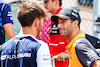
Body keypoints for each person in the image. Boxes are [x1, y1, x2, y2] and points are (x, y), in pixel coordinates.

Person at [0, 1, 52, 67]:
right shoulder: (40, 46)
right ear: (36, 22)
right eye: (42, 22)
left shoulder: (3, 48)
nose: (42, 26)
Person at [43, 0, 69, 67]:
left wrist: (68, 53)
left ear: (56, 2)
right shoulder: (52, 19)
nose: (44, 4)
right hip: (53, 61)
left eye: (46, 2)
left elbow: (79, 34)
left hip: (63, 62)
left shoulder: (65, 16)